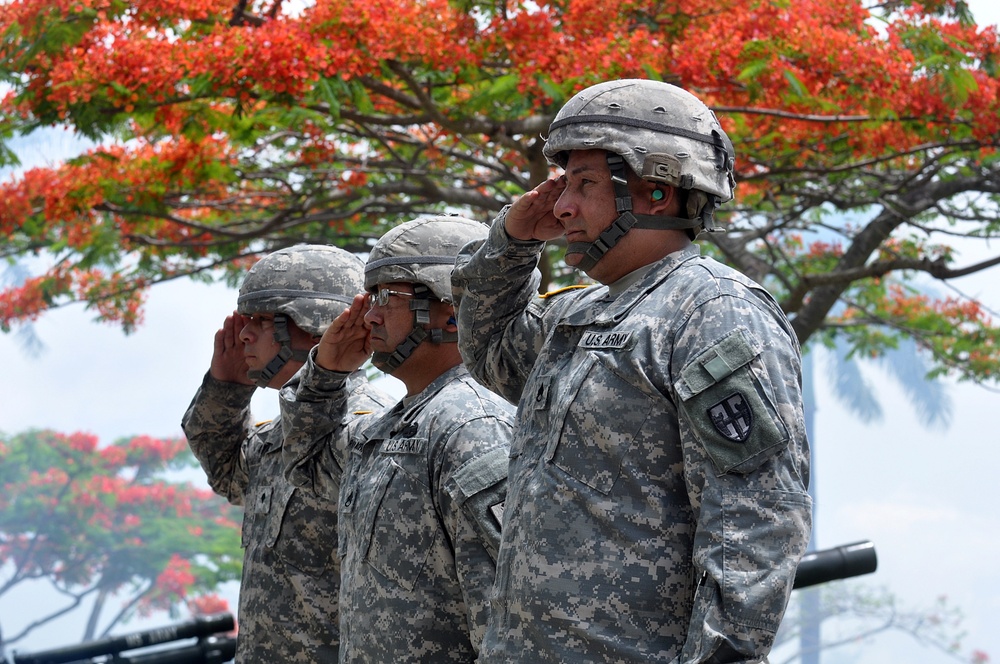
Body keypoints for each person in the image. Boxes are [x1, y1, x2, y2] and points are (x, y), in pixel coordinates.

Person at [451, 78, 813, 663]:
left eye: (586, 184)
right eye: (562, 184)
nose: (562, 204)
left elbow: (755, 519)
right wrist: (513, 241)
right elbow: (489, 351)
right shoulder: (576, 315)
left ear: (657, 192)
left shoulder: (713, 313)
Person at [280, 216, 515, 663]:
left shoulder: (473, 425)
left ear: (450, 307)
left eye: (386, 297)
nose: (367, 315)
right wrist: (325, 375)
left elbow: (508, 610)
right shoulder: (391, 426)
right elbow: (307, 466)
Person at [181, 244, 393, 663]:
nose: (244, 335)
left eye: (263, 321)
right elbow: (226, 470)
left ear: (319, 327)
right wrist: (226, 389)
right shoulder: (280, 436)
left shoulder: (368, 431)